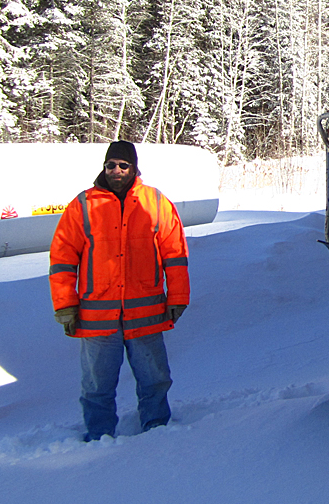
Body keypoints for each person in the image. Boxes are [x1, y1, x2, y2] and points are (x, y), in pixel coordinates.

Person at [49, 140, 190, 441]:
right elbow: (62, 258)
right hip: (97, 317)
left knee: (155, 380)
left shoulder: (155, 202)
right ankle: (99, 437)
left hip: (146, 314)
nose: (116, 170)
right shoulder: (84, 204)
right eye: (111, 165)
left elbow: (175, 254)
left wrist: (178, 298)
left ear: (134, 168)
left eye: (123, 165)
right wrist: (65, 305)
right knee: (96, 387)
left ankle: (157, 432)